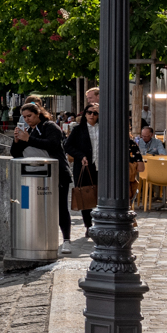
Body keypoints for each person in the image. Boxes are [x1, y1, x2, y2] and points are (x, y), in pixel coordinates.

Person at [10, 100, 72, 244]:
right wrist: (16, 141)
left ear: (38, 113)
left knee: (60, 207)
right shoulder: (28, 130)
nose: (27, 119)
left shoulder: (50, 126)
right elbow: (16, 153)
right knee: (34, 207)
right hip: (34, 174)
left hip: (57, 174)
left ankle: (66, 239)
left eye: (29, 116)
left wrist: (29, 139)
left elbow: (53, 144)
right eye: (24, 117)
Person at [64, 100, 100, 235]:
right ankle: (88, 226)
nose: (92, 115)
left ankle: (100, 223)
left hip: (101, 167)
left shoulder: (104, 128)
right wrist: (81, 156)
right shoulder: (78, 129)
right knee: (86, 196)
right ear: (85, 114)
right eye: (89, 112)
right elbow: (68, 146)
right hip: (84, 166)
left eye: (95, 113)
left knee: (101, 196)